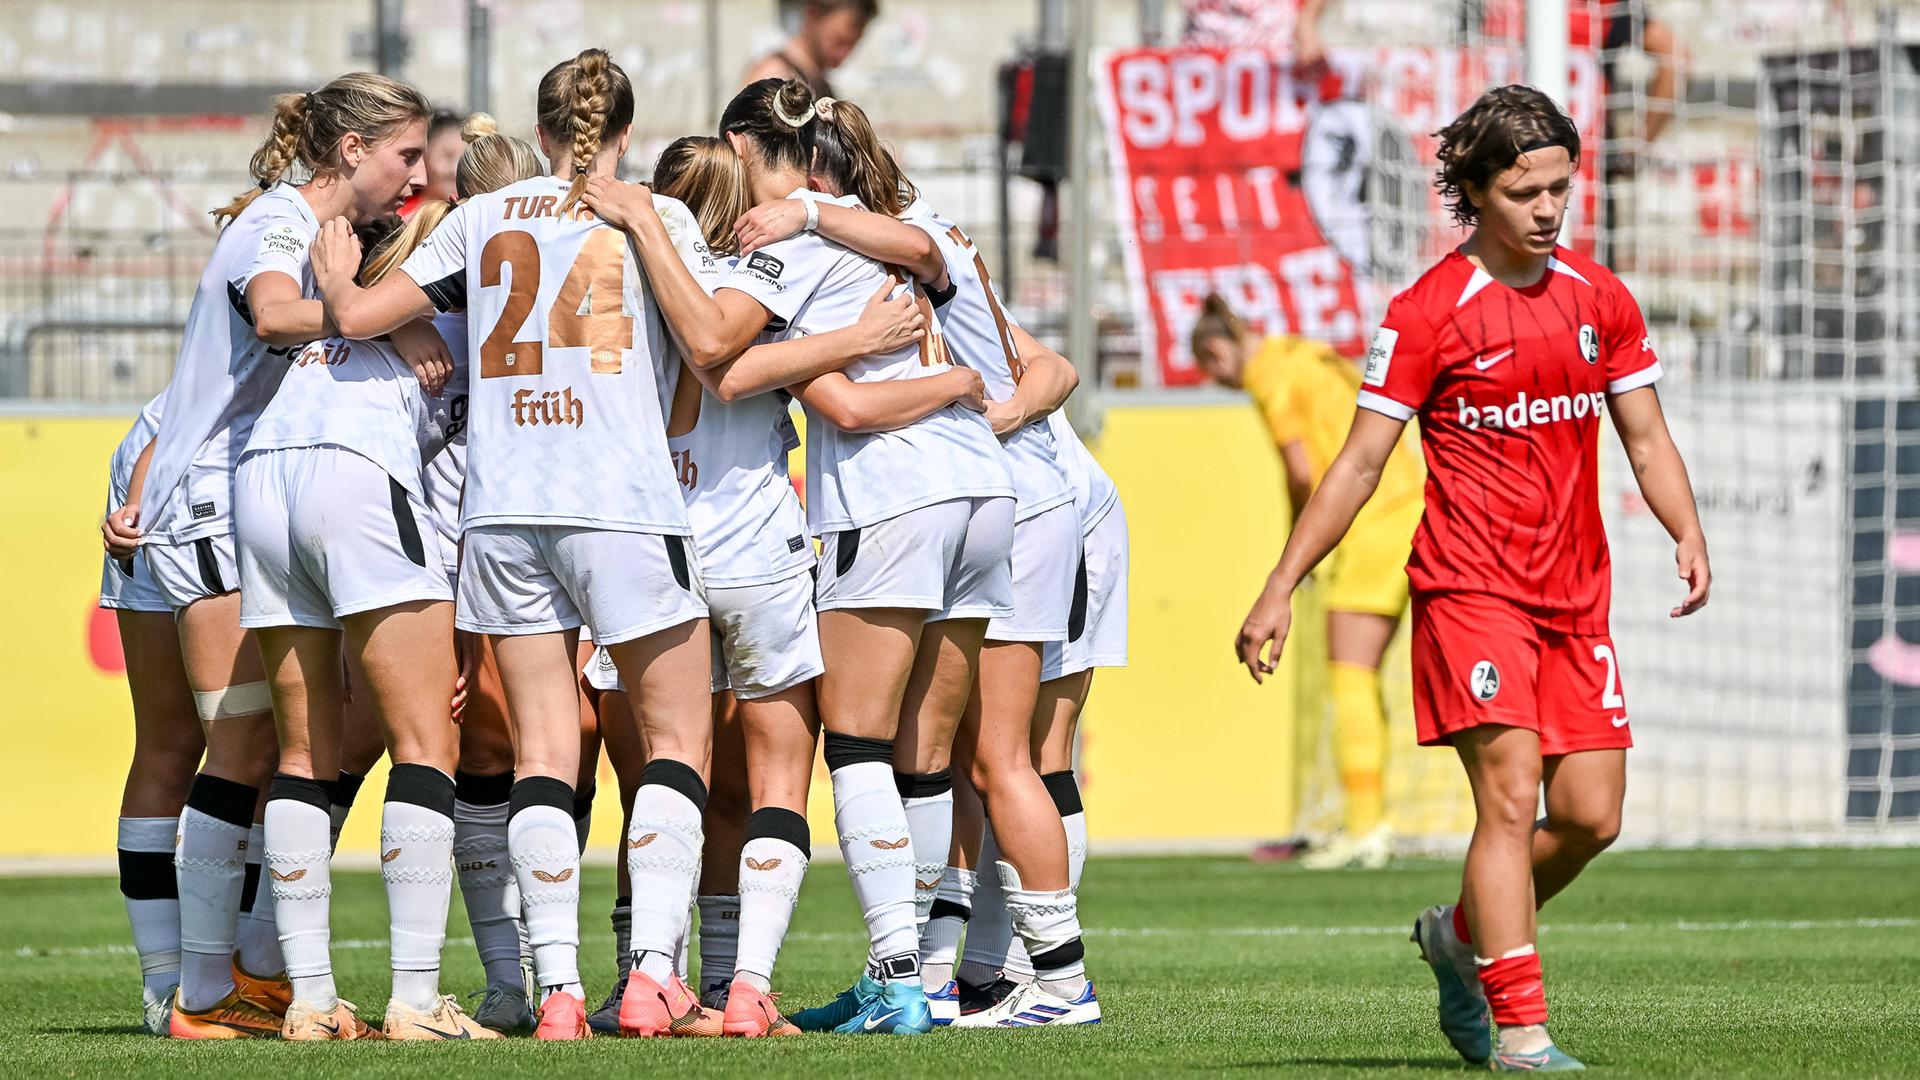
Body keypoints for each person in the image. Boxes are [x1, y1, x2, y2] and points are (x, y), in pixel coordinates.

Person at [1233, 85, 1709, 1072]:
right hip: (1468, 592)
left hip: (1576, 598)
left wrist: (1686, 529)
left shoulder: (1599, 297)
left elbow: (1648, 437)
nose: (1547, 210)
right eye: (1525, 191)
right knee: (1506, 797)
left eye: (1559, 190)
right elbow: (1359, 464)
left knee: (1590, 816)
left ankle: (1459, 936)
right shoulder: (1426, 314)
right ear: (1475, 191)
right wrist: (1282, 582)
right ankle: (1521, 1030)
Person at [583, 77, 1015, 1037]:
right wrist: (936, 369)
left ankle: (642, 975)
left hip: (694, 532)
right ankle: (869, 978)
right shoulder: (876, 231)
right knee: (909, 757)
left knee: (672, 766)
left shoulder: (669, 266)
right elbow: (960, 304)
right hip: (965, 494)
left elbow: (725, 360)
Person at [314, 48, 715, 1041]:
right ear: (626, 128)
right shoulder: (651, 216)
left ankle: (561, 994)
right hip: (620, 501)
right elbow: (709, 346)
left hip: (503, 511)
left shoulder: (482, 216)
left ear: (536, 132)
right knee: (674, 741)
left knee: (541, 753)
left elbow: (363, 314)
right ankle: (656, 974)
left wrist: (331, 273)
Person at [728, 94, 1098, 1028]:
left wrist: (791, 240)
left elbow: (794, 390)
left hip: (911, 496)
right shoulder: (911, 235)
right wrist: (967, 387)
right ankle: (1007, 978)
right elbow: (1029, 357)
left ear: (766, 160)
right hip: (998, 487)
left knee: (870, 748)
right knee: (948, 758)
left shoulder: (802, 255)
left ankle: (911, 974)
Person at [102, 71, 438, 1040]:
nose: (413, 177)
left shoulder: (292, 220)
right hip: (210, 498)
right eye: (404, 155)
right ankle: (205, 992)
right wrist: (370, 311)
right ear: (351, 152)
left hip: (190, 482)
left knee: (259, 739)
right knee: (248, 745)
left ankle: (222, 982)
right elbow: (275, 315)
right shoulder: (282, 224)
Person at [237, 119, 550, 1042]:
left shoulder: (374, 285)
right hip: (358, 476)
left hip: (268, 470)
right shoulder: (481, 293)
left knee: (304, 752)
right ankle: (416, 999)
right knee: (425, 749)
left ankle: (305, 1000)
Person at [1192, 296, 1424, 870]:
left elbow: (1302, 472)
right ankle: (1368, 819)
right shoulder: (1302, 355)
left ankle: (1367, 829)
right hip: (1407, 511)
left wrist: (1302, 550)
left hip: (1372, 525)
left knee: (1349, 673)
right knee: (1361, 676)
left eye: (1211, 371)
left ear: (1218, 351)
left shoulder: (1271, 377)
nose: (1218, 382)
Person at [100, 391, 207, 1036]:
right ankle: (185, 981)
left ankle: (183, 981)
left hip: (170, 449)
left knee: (184, 741)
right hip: (184, 459)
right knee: (211, 739)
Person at [740, 0, 877, 99]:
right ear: (812, 14)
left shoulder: (818, 79)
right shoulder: (773, 75)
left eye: (853, 43)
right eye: (839, 41)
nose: (845, 53)